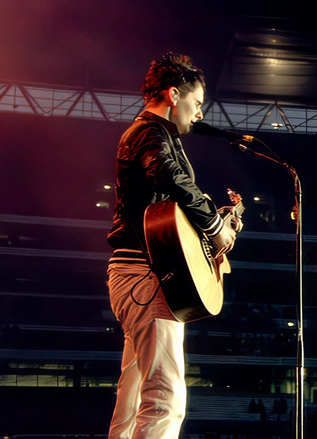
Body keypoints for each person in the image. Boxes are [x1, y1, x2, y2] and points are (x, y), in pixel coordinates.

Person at [106, 52, 240, 439]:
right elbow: (168, 176)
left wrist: (216, 226)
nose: (199, 114)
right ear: (173, 94)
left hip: (137, 275)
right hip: (146, 277)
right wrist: (215, 226)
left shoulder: (150, 134)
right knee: (165, 398)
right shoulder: (150, 133)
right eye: (196, 103)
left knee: (132, 400)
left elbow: (169, 210)